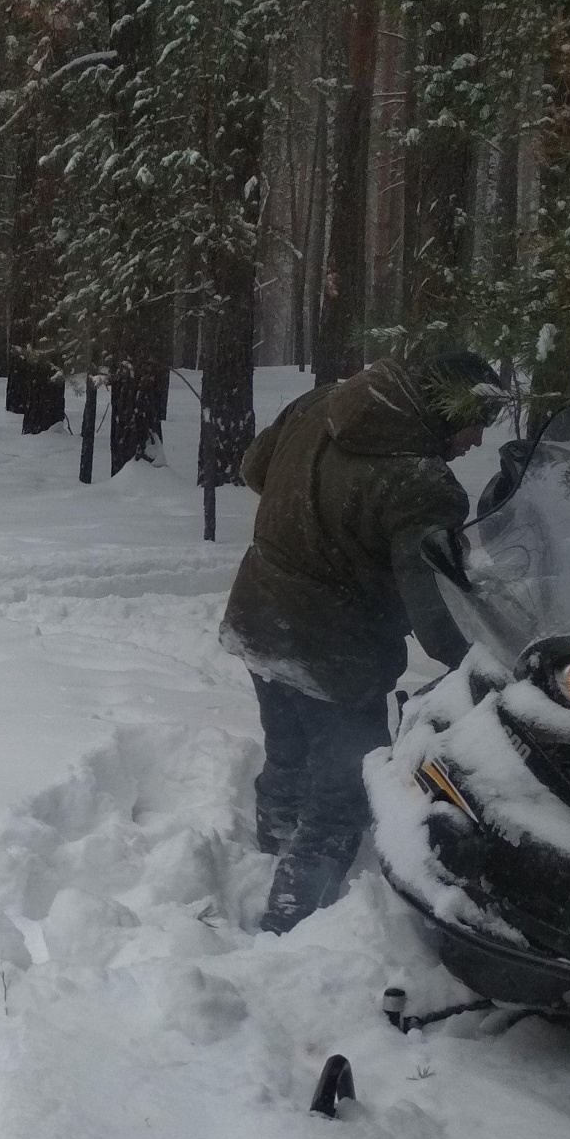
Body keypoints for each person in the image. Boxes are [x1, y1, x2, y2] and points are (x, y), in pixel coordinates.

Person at [222, 350, 500, 933]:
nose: (476, 442)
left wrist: (311, 512)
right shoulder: (421, 483)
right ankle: (293, 924)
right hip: (336, 651)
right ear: (447, 411)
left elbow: (254, 468)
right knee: (342, 789)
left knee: (288, 749)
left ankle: (270, 844)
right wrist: (488, 661)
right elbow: (433, 607)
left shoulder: (319, 403)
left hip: (259, 615)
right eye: (478, 424)